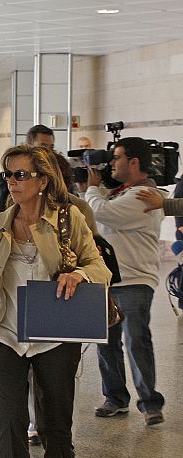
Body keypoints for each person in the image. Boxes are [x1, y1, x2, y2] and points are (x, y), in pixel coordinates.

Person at [0, 144, 110, 458]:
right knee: (8, 426)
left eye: (21, 175)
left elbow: (100, 267)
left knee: (53, 420)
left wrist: (79, 275)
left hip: (54, 336)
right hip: (5, 335)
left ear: (43, 180)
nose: (12, 183)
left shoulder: (70, 218)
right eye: (8, 175)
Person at [85, 137, 167, 425]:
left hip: (134, 279)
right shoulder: (121, 192)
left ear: (134, 162)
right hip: (107, 279)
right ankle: (116, 397)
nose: (111, 164)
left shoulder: (143, 195)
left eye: (116, 158)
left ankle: (150, 403)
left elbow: (100, 213)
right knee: (106, 342)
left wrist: (92, 187)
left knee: (136, 340)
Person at [0, 125, 55, 209]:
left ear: (43, 181)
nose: (48, 152)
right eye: (43, 146)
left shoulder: (58, 175)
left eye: (51, 147)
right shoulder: (5, 180)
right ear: (29, 145)